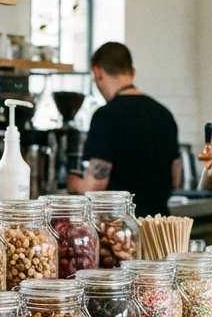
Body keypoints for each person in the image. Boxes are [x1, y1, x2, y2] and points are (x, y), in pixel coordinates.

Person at [66, 41, 181, 217]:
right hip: (160, 226)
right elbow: (176, 180)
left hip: (122, 230)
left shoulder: (106, 116)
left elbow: (93, 188)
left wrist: (71, 181)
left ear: (97, 72)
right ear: (132, 72)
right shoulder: (164, 113)